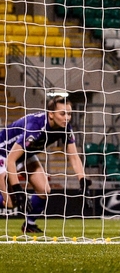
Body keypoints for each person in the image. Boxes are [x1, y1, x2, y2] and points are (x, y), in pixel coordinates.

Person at [0, 95, 89, 233]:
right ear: (51, 114)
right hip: (4, 153)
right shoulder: (35, 127)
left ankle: (29, 224)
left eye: (69, 114)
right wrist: (18, 190)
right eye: (62, 114)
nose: (67, 118)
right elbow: (11, 159)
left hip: (24, 154)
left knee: (44, 190)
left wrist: (82, 180)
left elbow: (73, 156)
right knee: (10, 203)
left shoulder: (65, 128)